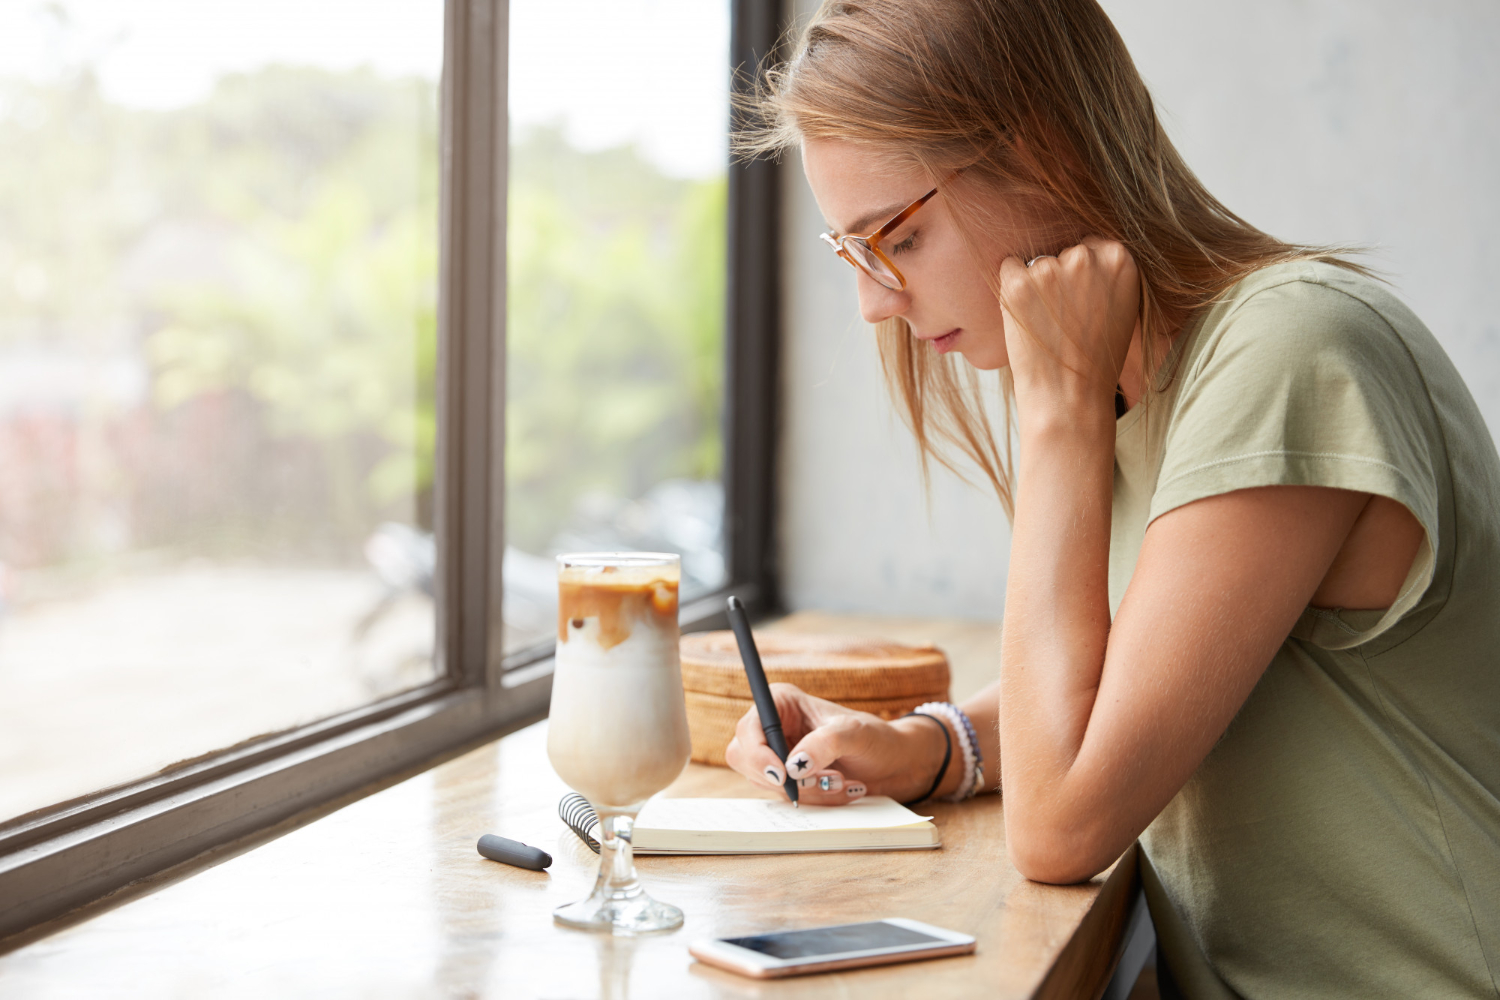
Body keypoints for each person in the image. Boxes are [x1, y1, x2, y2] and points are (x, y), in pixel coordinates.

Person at [722, 2, 1500, 997]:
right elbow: (1136, 685)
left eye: (897, 240)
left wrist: (1058, 420)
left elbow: (1061, 826)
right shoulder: (1131, 378)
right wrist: (926, 745)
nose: (875, 302)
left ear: (1041, 151)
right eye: (852, 254)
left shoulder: (1287, 353)